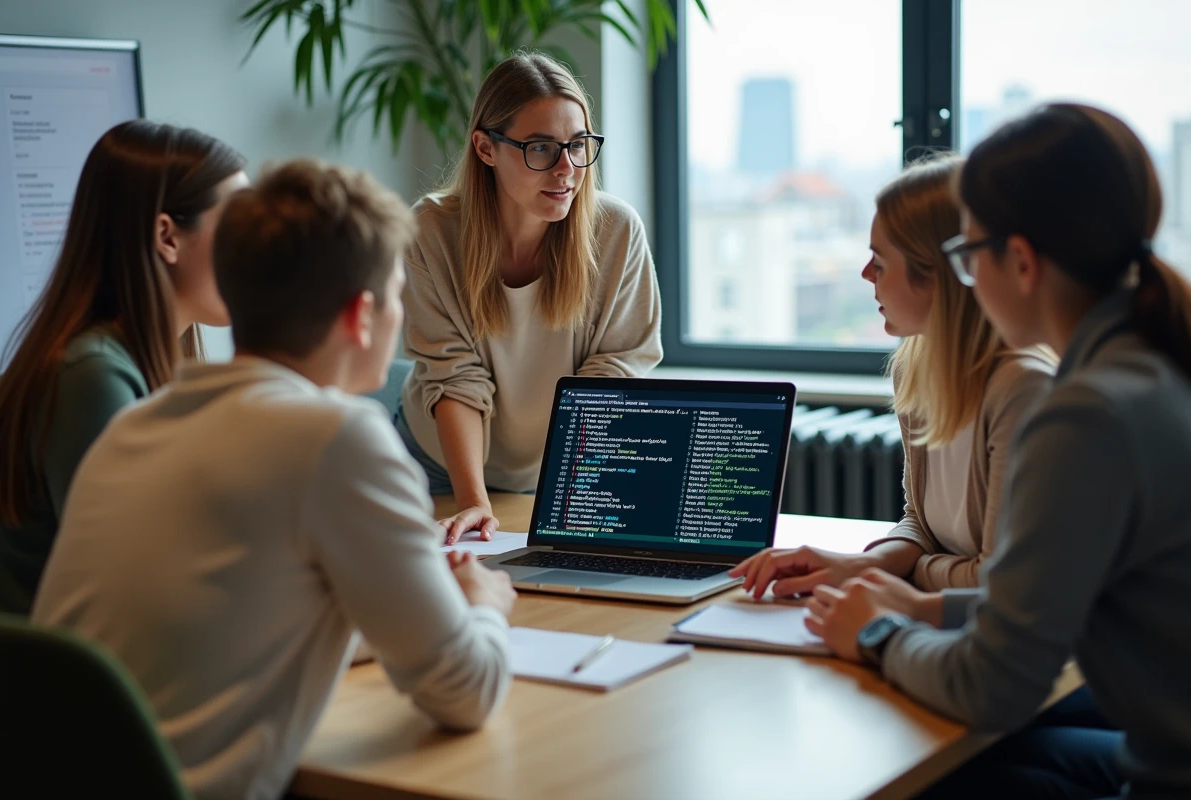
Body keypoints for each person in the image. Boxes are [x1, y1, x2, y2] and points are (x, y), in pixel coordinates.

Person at [31, 159, 517, 800]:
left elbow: (238, 629)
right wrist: (483, 604)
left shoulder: (135, 426)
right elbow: (467, 692)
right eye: (397, 295)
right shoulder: (337, 438)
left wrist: (395, 611)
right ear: (361, 315)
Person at [806, 104, 1191, 799]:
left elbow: (992, 687)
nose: (968, 281)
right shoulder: (1149, 364)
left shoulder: (1085, 415)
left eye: (967, 255)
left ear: (1020, 262)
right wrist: (921, 609)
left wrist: (879, 634)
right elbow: (1042, 604)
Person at [730, 156, 1054, 604]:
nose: (866, 274)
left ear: (938, 276)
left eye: (880, 262)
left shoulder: (1023, 390)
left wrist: (881, 571)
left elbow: (998, 581)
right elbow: (920, 522)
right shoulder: (915, 367)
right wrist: (862, 564)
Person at [396, 52, 662, 545]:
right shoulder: (430, 231)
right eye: (541, 148)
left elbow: (612, 374)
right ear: (486, 148)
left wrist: (573, 492)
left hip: (554, 467)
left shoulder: (617, 231)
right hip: (438, 463)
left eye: (578, 145)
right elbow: (454, 378)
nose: (567, 169)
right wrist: (474, 502)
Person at [0, 120, 246, 614]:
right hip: (63, 656)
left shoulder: (144, 360)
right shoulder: (91, 378)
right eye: (238, 227)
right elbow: (142, 578)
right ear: (167, 237)